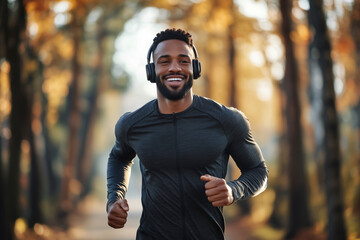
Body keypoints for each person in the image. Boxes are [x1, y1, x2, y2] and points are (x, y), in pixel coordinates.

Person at [106, 28, 268, 240]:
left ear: (195, 68)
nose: (175, 68)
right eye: (164, 61)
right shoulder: (132, 124)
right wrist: (114, 199)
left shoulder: (227, 120)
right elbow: (119, 157)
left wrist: (233, 189)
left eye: (183, 61)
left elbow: (258, 171)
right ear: (151, 71)